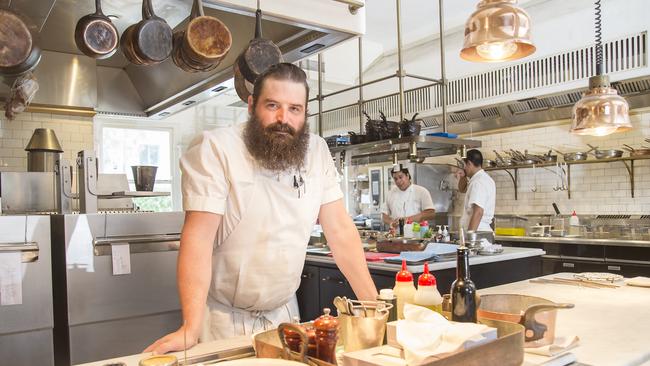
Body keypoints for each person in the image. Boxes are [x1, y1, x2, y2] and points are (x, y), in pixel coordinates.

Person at [145, 63, 377, 354]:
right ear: (252, 105)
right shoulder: (216, 148)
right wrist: (190, 328)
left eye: (295, 109)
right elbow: (198, 240)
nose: (283, 119)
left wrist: (373, 307)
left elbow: (340, 231)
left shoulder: (316, 151)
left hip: (285, 319)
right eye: (272, 105)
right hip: (222, 323)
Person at [456, 149, 496, 231]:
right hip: (479, 230)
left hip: (477, 231)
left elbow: (478, 212)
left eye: (464, 165)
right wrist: (463, 176)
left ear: (469, 163)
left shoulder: (478, 182)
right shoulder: (484, 178)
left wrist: (471, 238)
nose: (464, 168)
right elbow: (462, 189)